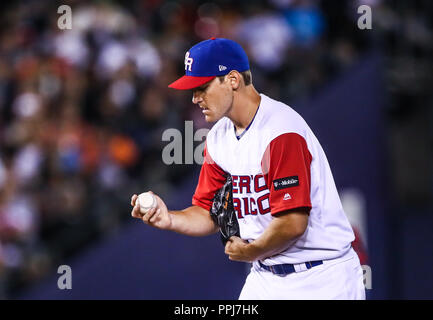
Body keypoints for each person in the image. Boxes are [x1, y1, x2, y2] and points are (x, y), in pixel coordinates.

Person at [130, 37, 365, 300]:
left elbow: (293, 223)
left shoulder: (280, 131)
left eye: (202, 87)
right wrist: (170, 218)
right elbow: (208, 212)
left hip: (321, 277)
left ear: (232, 80)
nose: (195, 98)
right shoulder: (219, 137)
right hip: (265, 277)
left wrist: (252, 251)